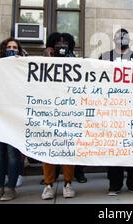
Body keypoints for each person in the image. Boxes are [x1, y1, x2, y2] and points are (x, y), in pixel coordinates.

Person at [99, 28, 133, 195]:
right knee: (115, 149)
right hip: (113, 110)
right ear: (114, 40)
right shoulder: (104, 57)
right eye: (119, 37)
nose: (122, 39)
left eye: (125, 37)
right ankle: (114, 184)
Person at [41, 32, 77, 200]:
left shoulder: (75, 61)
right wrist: (48, 58)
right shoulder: (43, 61)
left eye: (65, 42)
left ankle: (68, 183)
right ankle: (48, 184)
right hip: (49, 112)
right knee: (49, 149)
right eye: (58, 42)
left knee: (68, 150)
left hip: (69, 112)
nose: (61, 45)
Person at [0, 38, 26, 201]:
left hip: (15, 115)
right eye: (9, 47)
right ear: (3, 49)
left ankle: (10, 188)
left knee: (13, 153)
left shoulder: (22, 67)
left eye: (15, 48)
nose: (12, 50)